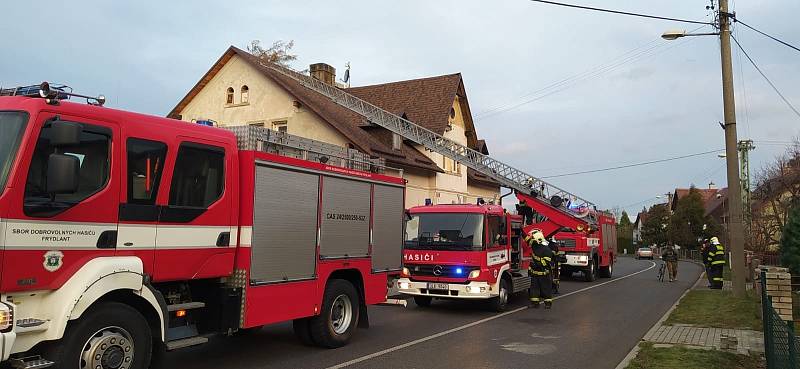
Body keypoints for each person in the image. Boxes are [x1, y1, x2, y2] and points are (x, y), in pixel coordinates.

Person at [525, 229, 555, 309]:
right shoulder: (535, 245)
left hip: (544, 273)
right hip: (534, 273)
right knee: (534, 289)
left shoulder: (547, 250)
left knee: (546, 289)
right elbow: (527, 240)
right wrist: (521, 230)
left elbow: (545, 262)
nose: (531, 241)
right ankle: (535, 303)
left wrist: (536, 262)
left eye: (532, 239)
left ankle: (548, 303)